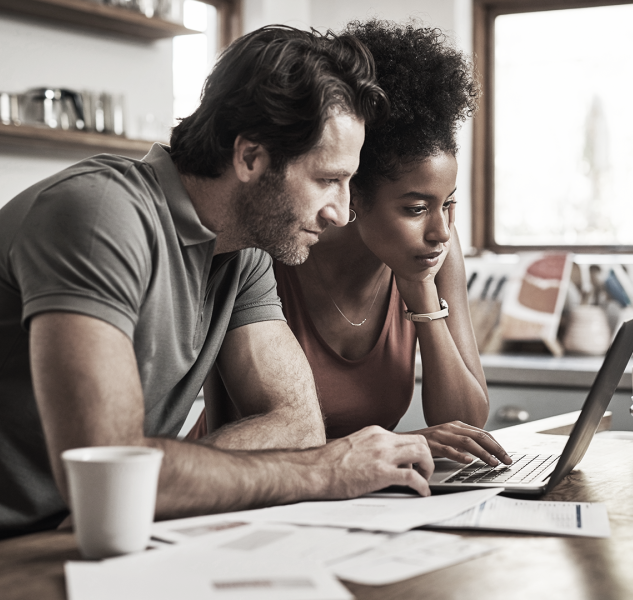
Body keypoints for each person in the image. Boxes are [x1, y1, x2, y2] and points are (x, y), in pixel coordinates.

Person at [0, 25, 434, 541]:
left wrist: (157, 478)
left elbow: (298, 426)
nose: (341, 213)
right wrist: (326, 470)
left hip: (96, 534)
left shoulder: (242, 252)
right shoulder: (100, 215)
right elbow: (108, 474)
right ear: (250, 157)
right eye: (326, 180)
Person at [189, 20, 512, 468]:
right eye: (416, 209)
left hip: (356, 491)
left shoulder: (432, 252)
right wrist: (401, 445)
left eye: (449, 204)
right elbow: (252, 428)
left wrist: (419, 292)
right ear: (353, 192)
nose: (441, 230)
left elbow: (467, 423)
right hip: (246, 481)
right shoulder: (275, 245)